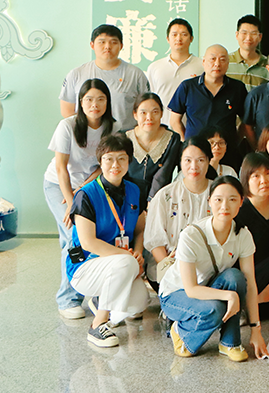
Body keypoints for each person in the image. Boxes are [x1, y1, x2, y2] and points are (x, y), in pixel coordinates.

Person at [158, 176, 268, 360]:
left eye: (232, 199)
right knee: (214, 309)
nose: (225, 206)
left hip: (208, 288)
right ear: (209, 201)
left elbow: (250, 283)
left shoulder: (243, 235)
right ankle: (180, 331)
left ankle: (230, 343)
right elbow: (191, 289)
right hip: (175, 294)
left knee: (235, 277)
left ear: (241, 202)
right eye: (218, 199)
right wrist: (229, 295)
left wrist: (256, 330)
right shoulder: (191, 235)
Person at [65, 134, 150, 348]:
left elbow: (140, 229)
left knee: (138, 303)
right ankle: (98, 325)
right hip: (85, 266)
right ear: (100, 162)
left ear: (129, 161)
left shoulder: (135, 190)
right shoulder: (86, 194)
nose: (115, 165)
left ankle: (101, 299)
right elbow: (88, 243)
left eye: (122, 158)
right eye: (109, 159)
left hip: (120, 264)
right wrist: (128, 256)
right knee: (126, 263)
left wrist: (138, 252)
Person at [43, 79, 114, 319]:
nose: (95, 104)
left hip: (89, 187)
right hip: (58, 185)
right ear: (80, 102)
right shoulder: (67, 126)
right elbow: (61, 168)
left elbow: (103, 166)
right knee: (73, 236)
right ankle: (68, 299)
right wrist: (72, 202)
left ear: (107, 102)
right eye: (89, 99)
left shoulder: (111, 127)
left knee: (94, 235)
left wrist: (83, 190)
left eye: (101, 99)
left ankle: (96, 292)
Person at [144, 138, 213, 285]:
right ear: (180, 162)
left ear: (208, 161)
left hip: (208, 270)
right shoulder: (165, 195)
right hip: (171, 272)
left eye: (200, 160)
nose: (194, 166)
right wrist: (173, 271)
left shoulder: (218, 194)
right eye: (188, 160)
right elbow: (155, 242)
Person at [59, 24, 149, 131]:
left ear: (121, 46)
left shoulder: (135, 74)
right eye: (102, 42)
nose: (107, 47)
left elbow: (147, 107)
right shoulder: (77, 74)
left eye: (113, 42)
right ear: (92, 45)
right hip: (87, 135)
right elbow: (67, 111)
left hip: (125, 135)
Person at [168, 45, 248, 158]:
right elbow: (175, 120)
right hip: (195, 153)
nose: (217, 64)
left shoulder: (237, 88)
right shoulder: (188, 87)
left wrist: (235, 141)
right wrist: (185, 142)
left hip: (226, 153)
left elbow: (246, 121)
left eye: (222, 59)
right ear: (204, 62)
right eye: (212, 59)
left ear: (228, 63)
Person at [235, 152, 269, 319]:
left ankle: (252, 306)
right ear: (246, 179)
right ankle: (248, 304)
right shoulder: (238, 211)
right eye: (256, 176)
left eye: (268, 173)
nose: (264, 180)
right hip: (252, 276)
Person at [145, 18, 203, 124]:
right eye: (174, 35)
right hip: (161, 126)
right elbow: (151, 99)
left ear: (191, 39)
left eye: (184, 34)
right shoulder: (155, 67)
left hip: (193, 127)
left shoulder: (202, 66)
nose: (179, 38)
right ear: (168, 38)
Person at [127, 92, 181, 198]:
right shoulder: (125, 138)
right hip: (126, 196)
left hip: (159, 196)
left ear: (161, 113)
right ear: (135, 115)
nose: (149, 117)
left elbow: (163, 174)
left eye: (155, 112)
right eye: (143, 113)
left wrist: (152, 201)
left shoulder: (172, 139)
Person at [227, 14, 269, 91]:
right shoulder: (226, 61)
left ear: (260, 37)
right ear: (237, 35)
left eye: (253, 33)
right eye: (244, 33)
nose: (248, 38)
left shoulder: (268, 64)